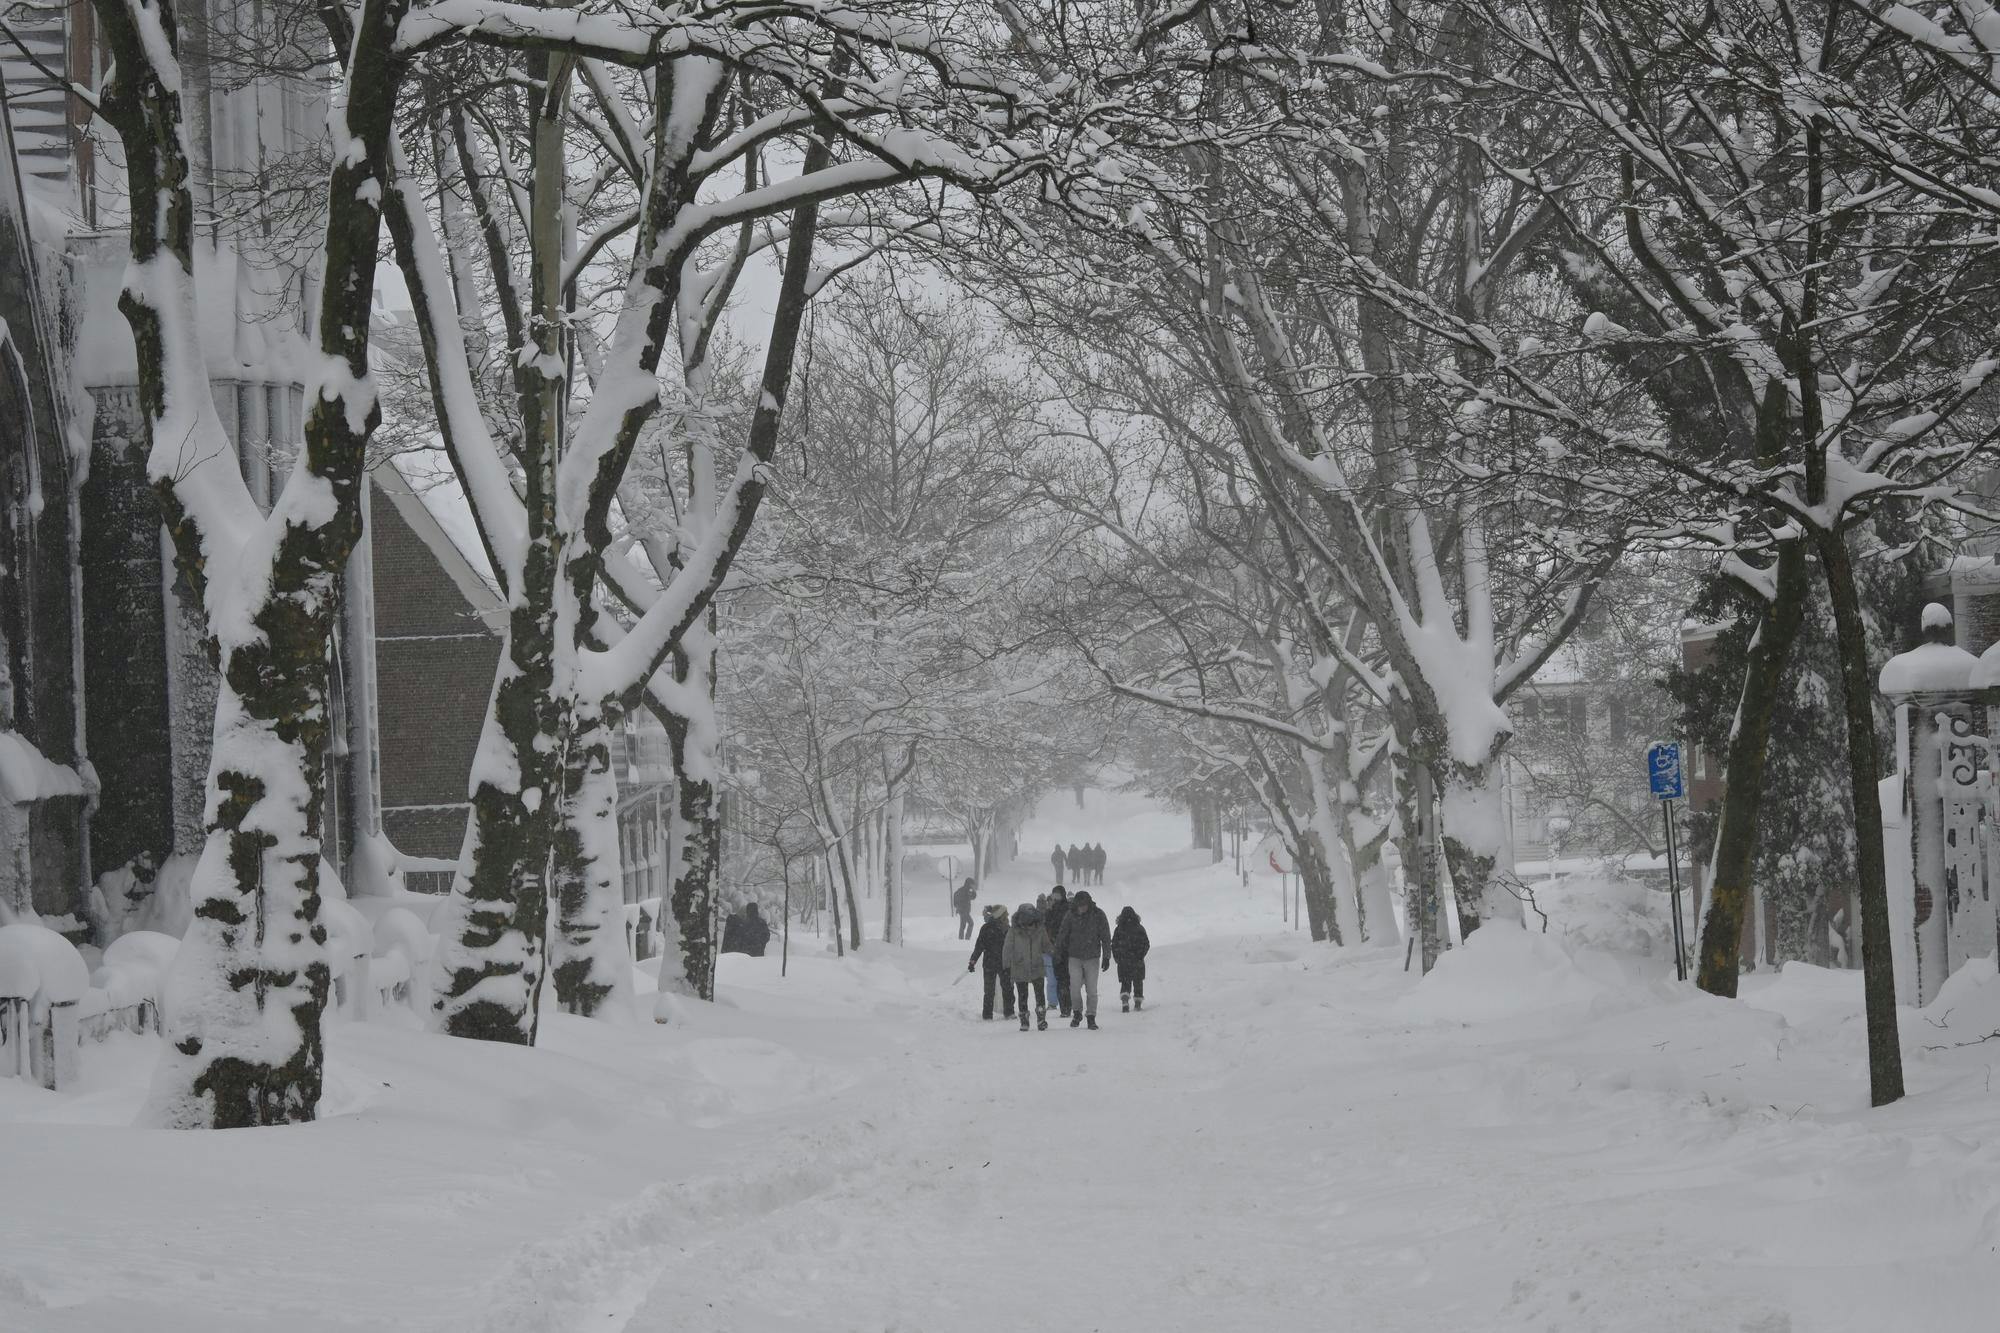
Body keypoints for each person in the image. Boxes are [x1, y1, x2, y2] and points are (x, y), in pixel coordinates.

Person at [1055, 889, 1113, 1029]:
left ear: (1089, 903)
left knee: (1091, 990)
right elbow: (1063, 933)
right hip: (1074, 957)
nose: (1082, 908)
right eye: (1080, 905)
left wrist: (1106, 956)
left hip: (1092, 957)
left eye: (1084, 905)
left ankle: (1091, 1016)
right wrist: (1058, 952)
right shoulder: (1070, 915)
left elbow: (1105, 936)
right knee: (1074, 988)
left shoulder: (1098, 915)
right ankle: (1077, 1012)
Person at [1002, 903, 1052, 1031]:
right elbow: (1007, 948)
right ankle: (1024, 1019)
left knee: (1039, 994)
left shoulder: (1040, 929)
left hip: (1037, 965)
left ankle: (1041, 1018)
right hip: (1020, 966)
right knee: (1022, 995)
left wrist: (1054, 954)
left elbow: (1046, 945)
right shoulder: (1014, 930)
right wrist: (1006, 965)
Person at [967, 904, 1013, 1020]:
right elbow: (979, 946)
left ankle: (1005, 1012)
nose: (1007, 916)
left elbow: (1013, 946)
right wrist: (973, 961)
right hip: (994, 963)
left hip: (1000, 963)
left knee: (1002, 989)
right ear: (1000, 916)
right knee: (994, 990)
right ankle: (996, 1013)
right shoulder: (988, 928)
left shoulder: (1007, 928)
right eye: (1005, 914)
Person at [1112, 905, 1149, 1011]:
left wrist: (1118, 957)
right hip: (1137, 961)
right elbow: (1146, 943)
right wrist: (1140, 955)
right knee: (1138, 982)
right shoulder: (1140, 928)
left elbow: (1113, 944)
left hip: (1123, 961)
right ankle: (1137, 1003)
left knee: (1125, 982)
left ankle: (1125, 1001)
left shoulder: (1118, 929)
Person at [1042, 885, 1071, 1015]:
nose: (1055, 898)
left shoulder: (1068, 910)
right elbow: (1045, 927)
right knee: (1053, 978)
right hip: (1051, 948)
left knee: (1063, 978)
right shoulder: (1050, 911)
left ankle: (1064, 1003)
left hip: (1064, 949)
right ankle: (1054, 1002)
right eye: (1054, 895)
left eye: (1057, 895)